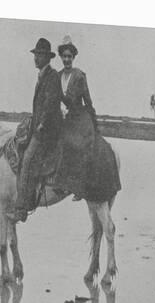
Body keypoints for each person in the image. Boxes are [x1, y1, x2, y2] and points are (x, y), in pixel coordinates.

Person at [6, 38, 63, 223]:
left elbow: (51, 104)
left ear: (47, 57)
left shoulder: (52, 77)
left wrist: (41, 125)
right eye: (35, 55)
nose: (36, 58)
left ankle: (21, 209)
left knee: (29, 159)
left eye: (39, 55)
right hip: (40, 128)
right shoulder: (42, 76)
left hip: (47, 132)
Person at [55, 35, 98, 201]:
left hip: (77, 117)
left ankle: (78, 187)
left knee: (73, 144)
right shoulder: (57, 76)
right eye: (64, 56)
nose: (67, 59)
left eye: (69, 56)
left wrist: (93, 122)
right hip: (61, 117)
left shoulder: (79, 75)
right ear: (61, 57)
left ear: (73, 57)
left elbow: (87, 100)